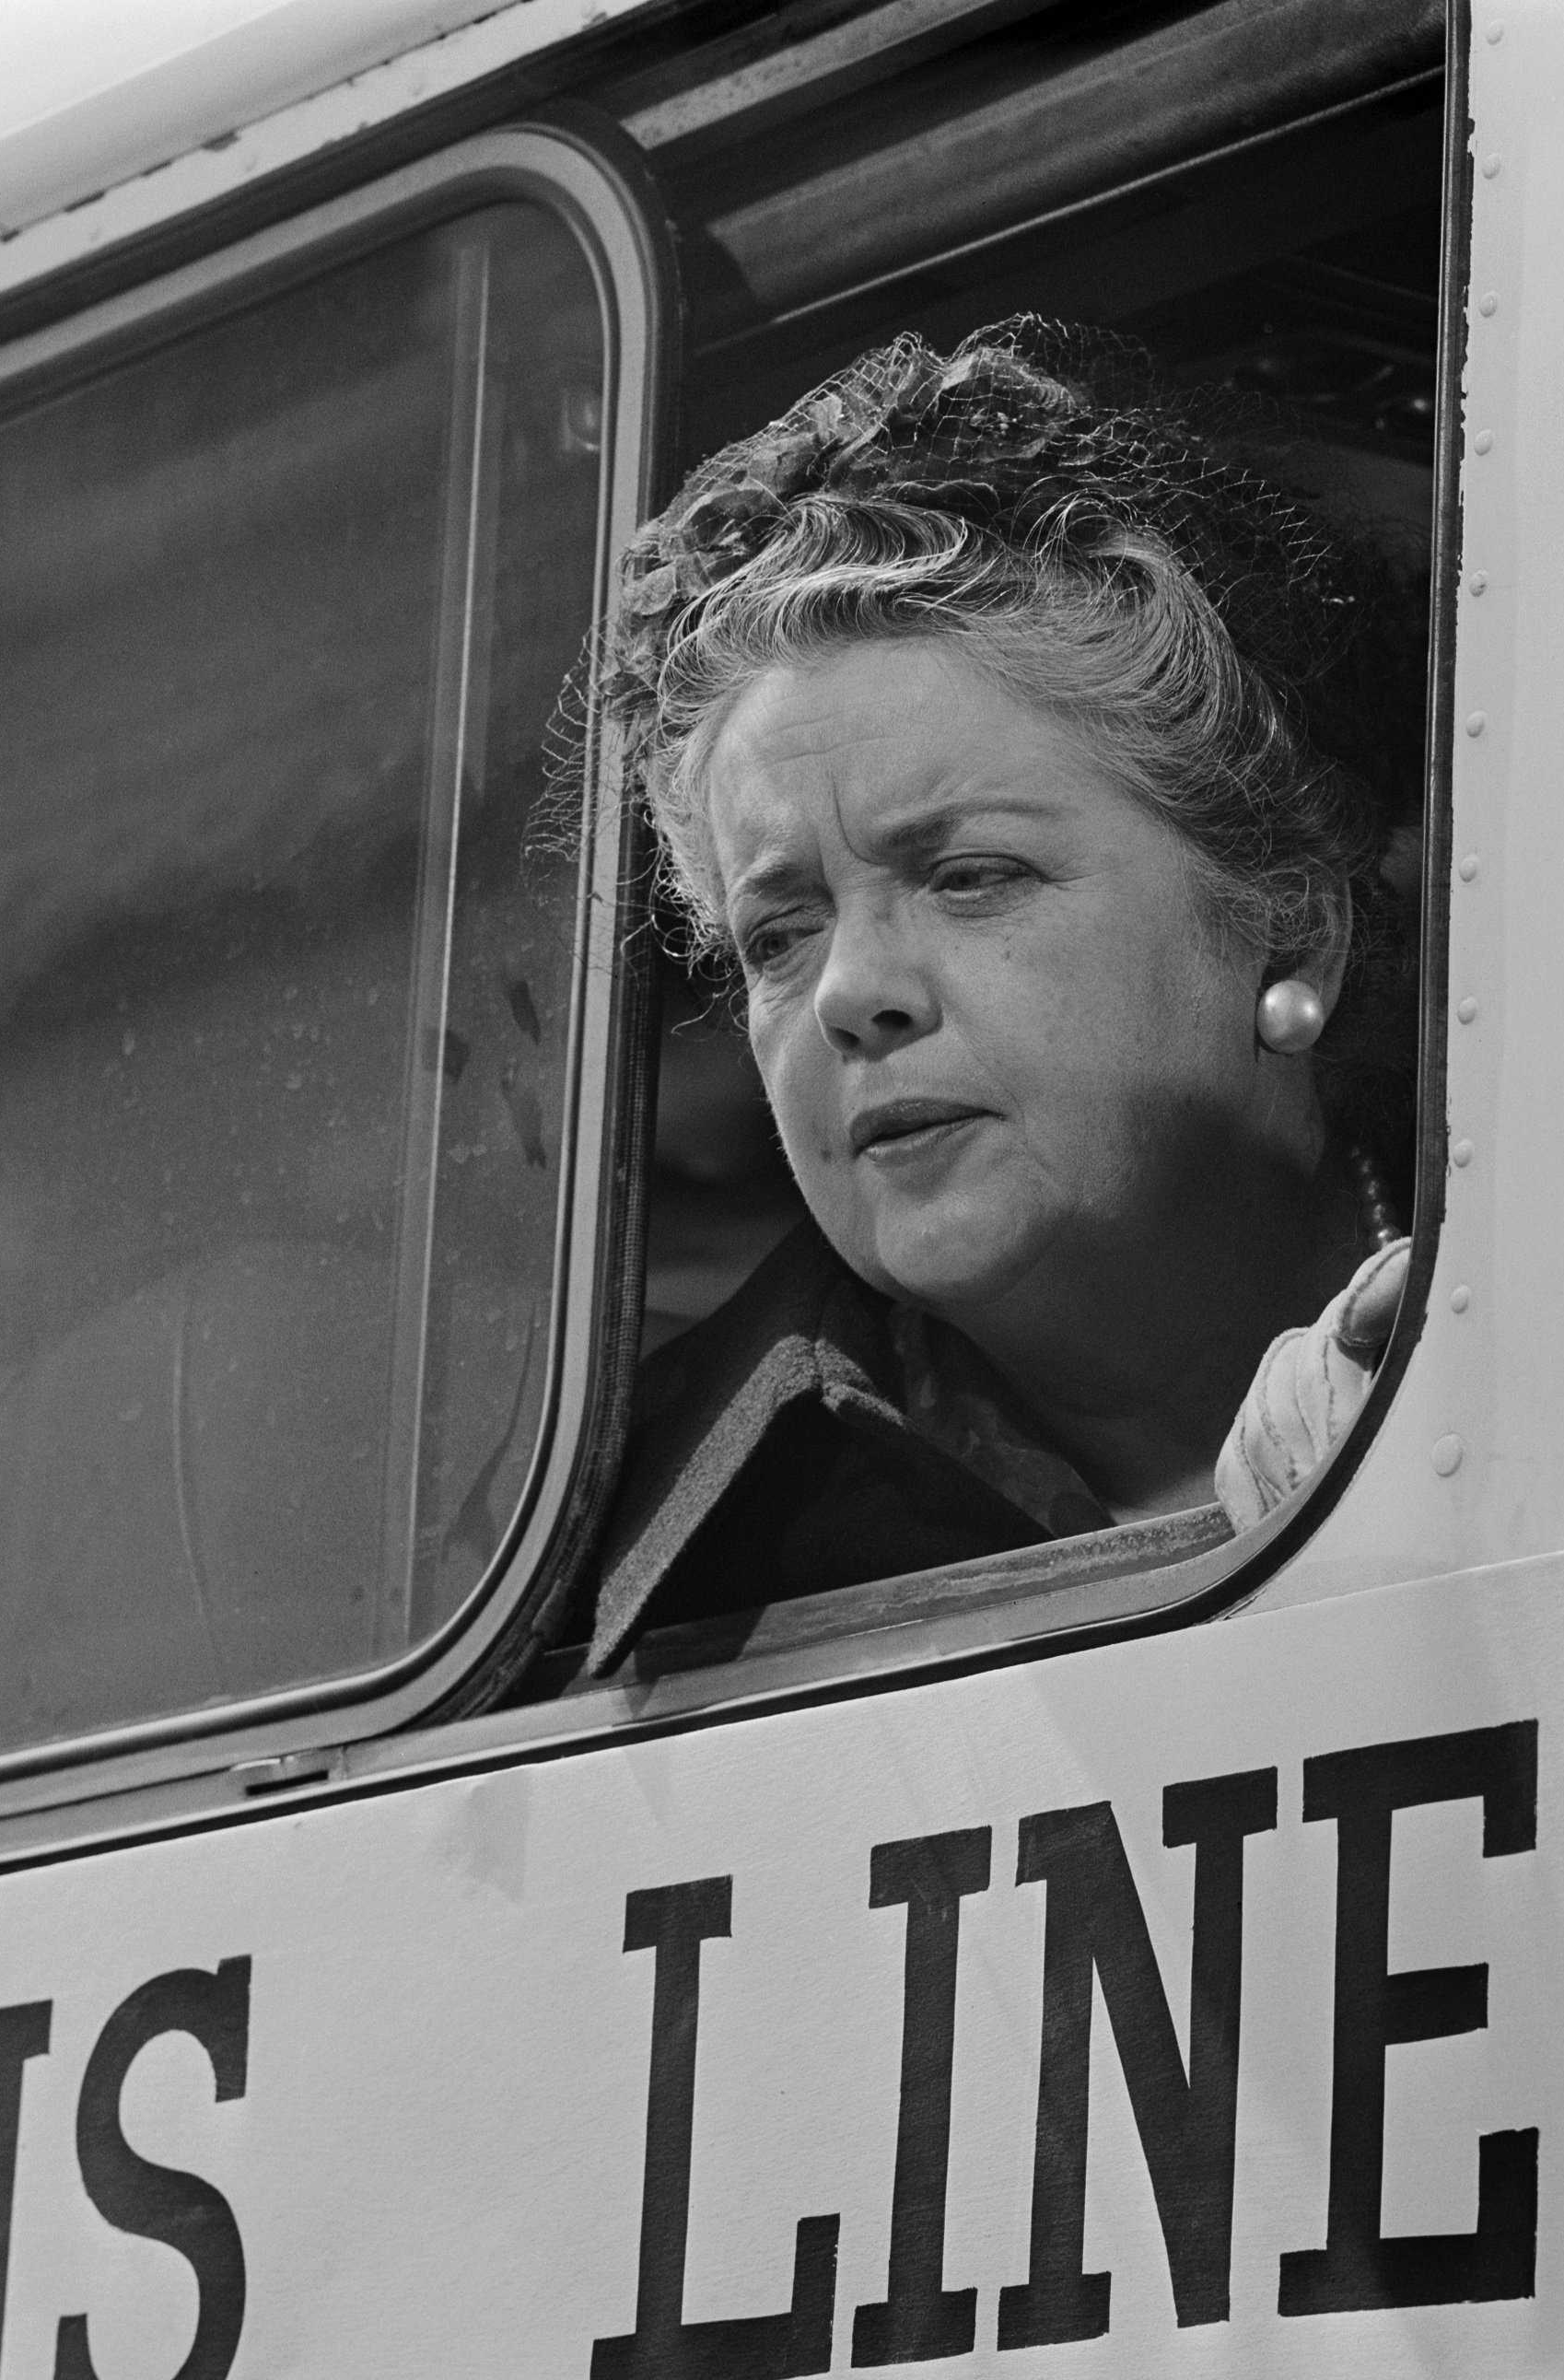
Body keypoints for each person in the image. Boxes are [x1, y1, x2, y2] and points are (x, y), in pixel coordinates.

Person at [568, 318, 1421, 1675]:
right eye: (777, 938)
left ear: (1289, 936)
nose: (851, 993)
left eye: (969, 878)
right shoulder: (596, 1577)